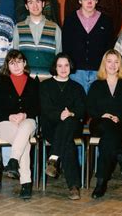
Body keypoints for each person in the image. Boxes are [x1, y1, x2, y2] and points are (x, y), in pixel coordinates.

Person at [86, 50, 122, 199]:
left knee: (108, 140)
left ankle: (101, 183)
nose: (112, 65)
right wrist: (103, 115)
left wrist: (119, 117)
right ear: (104, 64)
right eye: (109, 61)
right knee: (107, 128)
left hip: (120, 124)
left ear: (120, 65)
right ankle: (121, 156)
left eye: (116, 61)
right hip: (99, 123)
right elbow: (90, 107)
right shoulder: (96, 85)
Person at [0, 50, 40, 199]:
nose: (16, 65)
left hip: (28, 121)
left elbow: (38, 106)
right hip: (5, 123)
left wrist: (24, 114)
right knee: (24, 142)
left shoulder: (33, 82)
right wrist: (10, 116)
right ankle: (26, 183)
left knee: (24, 129)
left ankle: (13, 161)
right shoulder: (1, 81)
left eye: (19, 61)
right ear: (7, 65)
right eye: (12, 63)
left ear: (24, 63)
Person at [40, 53, 86, 200]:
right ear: (55, 67)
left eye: (66, 65)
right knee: (68, 145)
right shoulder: (45, 85)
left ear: (70, 66)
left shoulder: (77, 87)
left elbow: (83, 110)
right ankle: (73, 187)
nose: (63, 68)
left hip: (72, 126)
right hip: (51, 127)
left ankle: (53, 158)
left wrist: (71, 113)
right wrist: (59, 115)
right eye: (59, 65)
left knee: (68, 123)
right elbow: (44, 109)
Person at [62, 0, 113, 93]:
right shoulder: (70, 20)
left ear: (97, 1)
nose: (89, 2)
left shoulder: (106, 21)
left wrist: (104, 69)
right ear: (80, 1)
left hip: (98, 71)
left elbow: (109, 47)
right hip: (75, 72)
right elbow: (65, 47)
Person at [13, 0, 62, 79]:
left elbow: (59, 57)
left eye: (38, 1)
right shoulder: (18, 28)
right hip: (25, 81)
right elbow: (15, 57)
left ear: (43, 4)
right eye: (30, 2)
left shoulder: (55, 28)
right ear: (26, 6)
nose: (35, 6)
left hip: (48, 80)